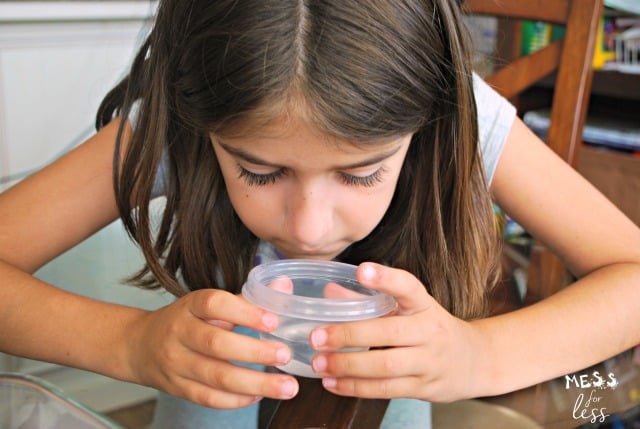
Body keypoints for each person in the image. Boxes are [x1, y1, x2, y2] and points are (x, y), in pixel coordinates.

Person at [1, 0, 639, 427]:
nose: (309, 226)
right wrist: (130, 344)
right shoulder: (179, 120)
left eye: (362, 172)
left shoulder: (457, 113)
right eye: (259, 171)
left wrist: (480, 356)